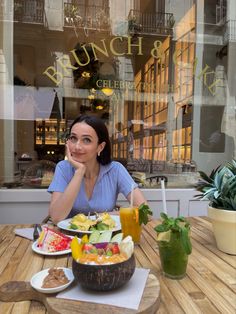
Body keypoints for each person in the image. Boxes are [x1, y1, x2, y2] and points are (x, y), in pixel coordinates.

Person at [48, 115, 146, 223]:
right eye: (73, 138)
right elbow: (56, 217)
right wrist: (79, 172)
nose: (77, 146)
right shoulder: (63, 168)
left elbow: (144, 211)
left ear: (100, 147)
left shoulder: (115, 170)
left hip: (106, 236)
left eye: (86, 140)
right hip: (70, 238)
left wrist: (95, 218)